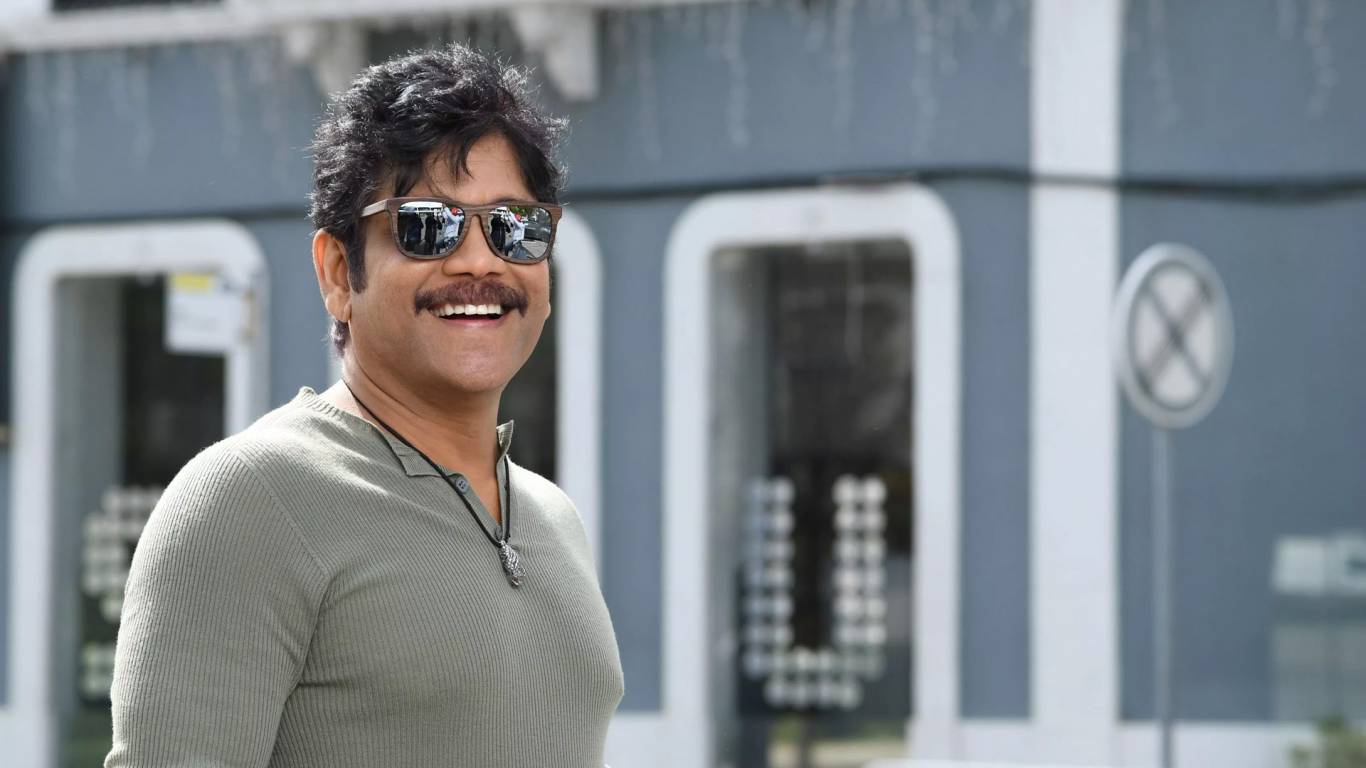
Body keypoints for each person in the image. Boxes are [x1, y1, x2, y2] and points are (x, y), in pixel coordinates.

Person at [106, 43, 624, 767]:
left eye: (516, 226)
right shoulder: (251, 499)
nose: (480, 261)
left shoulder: (550, 516)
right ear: (335, 272)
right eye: (427, 225)